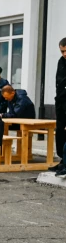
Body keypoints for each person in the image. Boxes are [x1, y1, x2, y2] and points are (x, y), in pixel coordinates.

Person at [50, 38, 66, 173]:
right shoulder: (61, 62)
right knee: (60, 131)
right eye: (62, 51)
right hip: (61, 101)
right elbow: (58, 81)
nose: (64, 54)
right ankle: (62, 160)